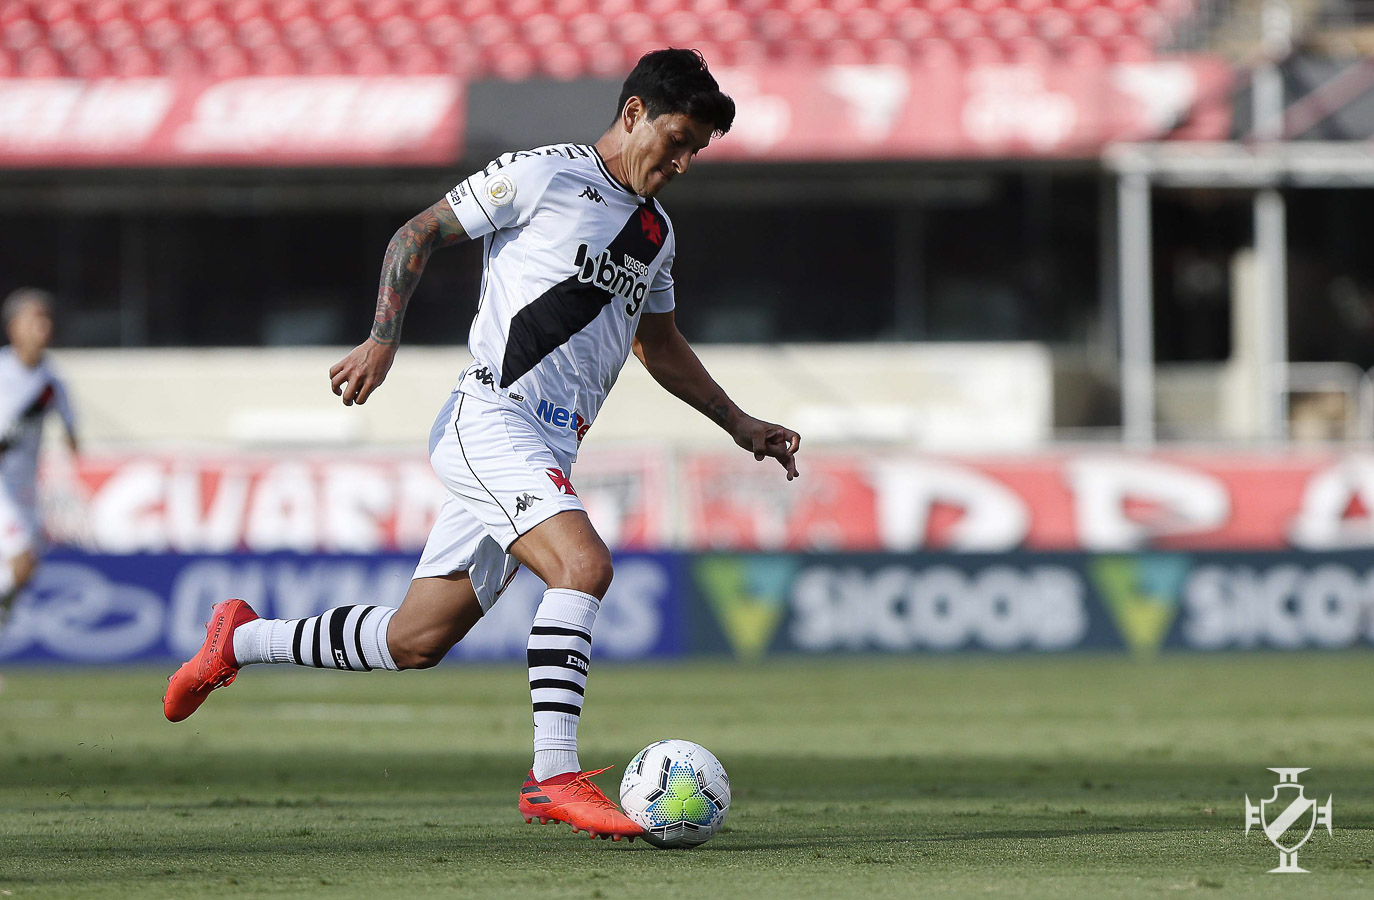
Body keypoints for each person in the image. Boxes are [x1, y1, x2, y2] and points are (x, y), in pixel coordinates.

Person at [163, 49, 801, 841]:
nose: (682, 163)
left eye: (696, 151)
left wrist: (739, 423)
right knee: (584, 567)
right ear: (634, 112)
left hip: (549, 447)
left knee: (415, 639)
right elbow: (419, 231)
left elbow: (658, 342)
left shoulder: (655, 233)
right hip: (493, 417)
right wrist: (382, 339)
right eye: (677, 141)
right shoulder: (545, 174)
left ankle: (240, 639)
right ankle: (553, 776)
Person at [0, 288, 79, 631]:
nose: (43, 327)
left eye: (46, 319)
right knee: (20, 559)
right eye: (35, 319)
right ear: (14, 327)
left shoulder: (51, 381)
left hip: (25, 487)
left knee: (28, 567)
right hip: (1, 487)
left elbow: (71, 433)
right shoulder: (2, 372)